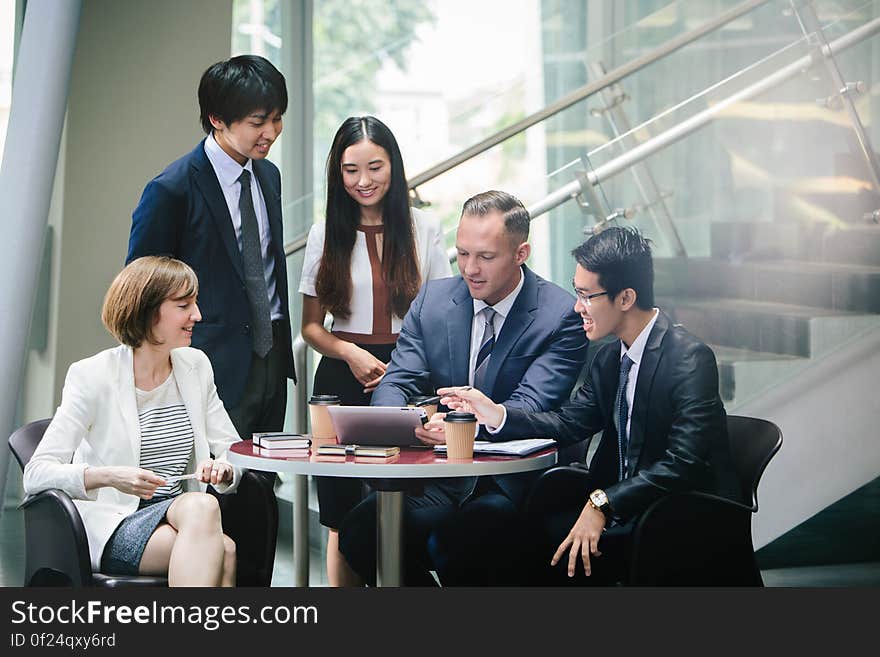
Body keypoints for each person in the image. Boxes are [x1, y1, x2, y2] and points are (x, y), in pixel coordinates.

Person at [439, 226, 739, 585]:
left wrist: (603, 503)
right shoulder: (611, 358)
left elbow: (683, 463)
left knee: (528, 551)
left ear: (625, 298)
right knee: (485, 533)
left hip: (675, 514)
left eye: (586, 295)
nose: (577, 306)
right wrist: (497, 414)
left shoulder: (689, 360)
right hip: (623, 507)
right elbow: (568, 424)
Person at [338, 190, 589, 585]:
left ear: (521, 253)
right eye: (463, 253)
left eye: (486, 257)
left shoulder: (560, 315)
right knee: (360, 531)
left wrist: (462, 428)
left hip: (507, 481)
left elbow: (531, 403)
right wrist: (401, 422)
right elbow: (399, 378)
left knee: (461, 541)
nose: (470, 268)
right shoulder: (434, 300)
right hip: (439, 476)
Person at [23, 257, 242, 586]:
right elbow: (36, 474)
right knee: (219, 540)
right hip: (116, 523)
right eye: (184, 305)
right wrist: (110, 477)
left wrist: (223, 469)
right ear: (148, 311)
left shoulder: (196, 366)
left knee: (210, 520)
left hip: (181, 514)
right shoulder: (92, 375)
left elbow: (231, 449)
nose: (197, 315)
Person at [299, 115, 451, 586]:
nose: (363, 181)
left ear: (394, 167)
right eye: (350, 170)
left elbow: (444, 312)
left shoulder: (424, 228)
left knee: (403, 499)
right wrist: (350, 353)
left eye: (375, 167)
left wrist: (409, 365)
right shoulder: (325, 233)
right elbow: (310, 327)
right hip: (342, 378)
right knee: (341, 514)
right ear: (337, 173)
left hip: (410, 376)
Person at [127, 54, 295, 446]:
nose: (270, 132)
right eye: (257, 122)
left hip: (270, 357)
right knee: (215, 486)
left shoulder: (268, 175)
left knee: (262, 483)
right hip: (205, 363)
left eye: (277, 119)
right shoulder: (172, 189)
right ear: (217, 119)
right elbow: (140, 290)